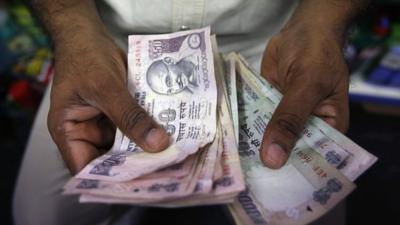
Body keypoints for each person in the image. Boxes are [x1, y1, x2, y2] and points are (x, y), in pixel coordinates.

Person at [13, 0, 368, 224]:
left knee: (306, 209)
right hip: (108, 47)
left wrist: (324, 19)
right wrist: (72, 34)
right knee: (41, 216)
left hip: (273, 47)